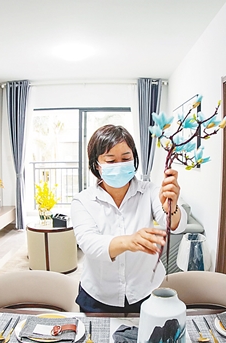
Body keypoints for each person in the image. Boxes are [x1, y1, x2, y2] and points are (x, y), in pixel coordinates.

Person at [71, 124, 188, 314]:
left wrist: (171, 207)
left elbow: (176, 226)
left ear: (134, 159)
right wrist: (129, 241)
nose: (119, 165)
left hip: (146, 291)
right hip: (98, 295)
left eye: (126, 158)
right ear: (96, 164)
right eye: (110, 160)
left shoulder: (149, 191)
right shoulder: (83, 200)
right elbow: (89, 244)